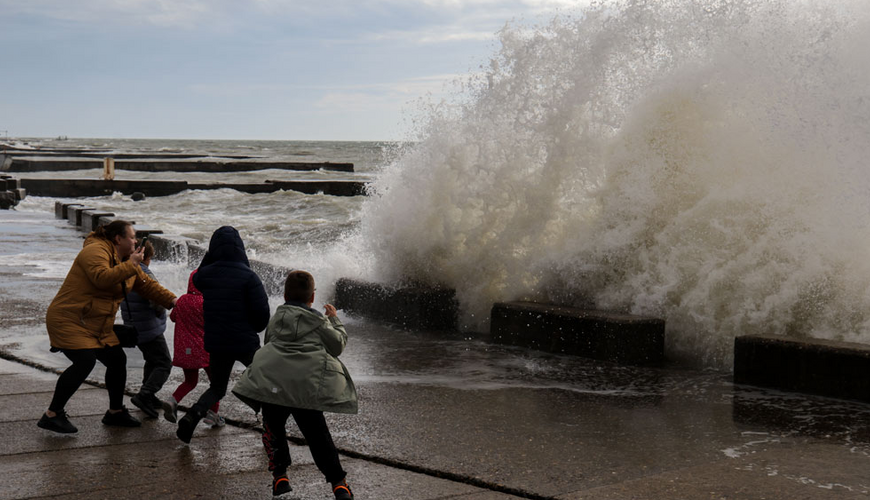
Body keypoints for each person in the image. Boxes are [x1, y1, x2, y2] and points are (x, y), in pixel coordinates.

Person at [38, 220, 177, 434]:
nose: (136, 240)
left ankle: (115, 412)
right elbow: (101, 278)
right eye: (132, 237)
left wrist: (176, 303)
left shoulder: (124, 261)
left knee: (116, 359)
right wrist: (131, 263)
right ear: (118, 239)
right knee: (85, 361)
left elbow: (148, 287)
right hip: (70, 319)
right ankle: (52, 414)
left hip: (95, 324)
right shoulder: (95, 251)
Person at [232, 270, 358, 499]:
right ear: (312, 298)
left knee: (273, 429)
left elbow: (269, 341)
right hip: (306, 387)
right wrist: (334, 319)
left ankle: (280, 477)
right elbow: (338, 345)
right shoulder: (319, 321)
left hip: (275, 384)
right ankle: (339, 485)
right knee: (318, 436)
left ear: (284, 295)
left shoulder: (277, 318)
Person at [175, 226, 270, 443]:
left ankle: (193, 415)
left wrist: (210, 257)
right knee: (265, 382)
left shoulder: (207, 275)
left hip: (217, 343)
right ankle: (271, 426)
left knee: (217, 388)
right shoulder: (249, 276)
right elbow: (262, 314)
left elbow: (197, 278)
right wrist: (254, 328)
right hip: (245, 342)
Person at [164, 269, 224, 427]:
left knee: (190, 382)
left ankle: (172, 400)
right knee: (216, 384)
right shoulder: (207, 302)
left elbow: (173, 317)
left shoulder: (182, 300)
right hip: (204, 350)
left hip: (185, 350)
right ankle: (213, 415)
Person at [121, 240, 172, 419]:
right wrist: (161, 314)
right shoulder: (145, 272)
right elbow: (157, 301)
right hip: (148, 326)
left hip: (134, 324)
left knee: (152, 360)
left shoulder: (126, 269)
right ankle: (145, 395)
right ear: (146, 256)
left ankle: (148, 395)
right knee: (164, 363)